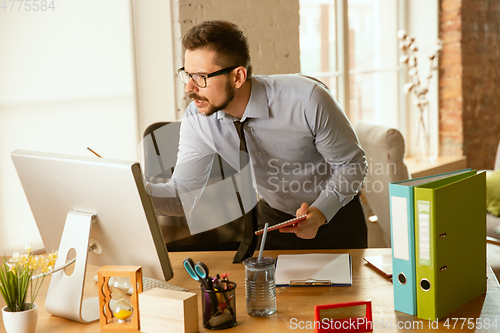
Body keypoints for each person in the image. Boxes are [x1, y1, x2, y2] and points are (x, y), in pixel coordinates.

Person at [149, 20, 368, 250]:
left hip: (336, 218)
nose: (189, 88)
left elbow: (352, 165)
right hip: (275, 221)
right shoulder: (198, 120)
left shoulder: (308, 101)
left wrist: (321, 212)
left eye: (201, 78)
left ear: (238, 77)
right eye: (187, 75)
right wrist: (135, 191)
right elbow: (182, 195)